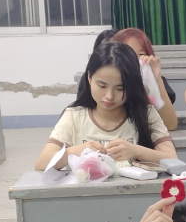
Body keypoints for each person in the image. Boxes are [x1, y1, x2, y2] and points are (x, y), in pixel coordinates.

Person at [35, 42, 177, 171]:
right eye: (102, 86)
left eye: (120, 89)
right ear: (89, 78)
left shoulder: (146, 114)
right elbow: (41, 163)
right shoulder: (74, 116)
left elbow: (173, 160)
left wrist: (136, 151)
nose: (109, 96)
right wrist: (75, 151)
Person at [113, 28, 178, 131]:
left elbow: (170, 125)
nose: (135, 59)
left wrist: (156, 80)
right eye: (129, 54)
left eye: (141, 54)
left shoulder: (154, 84)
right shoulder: (110, 86)